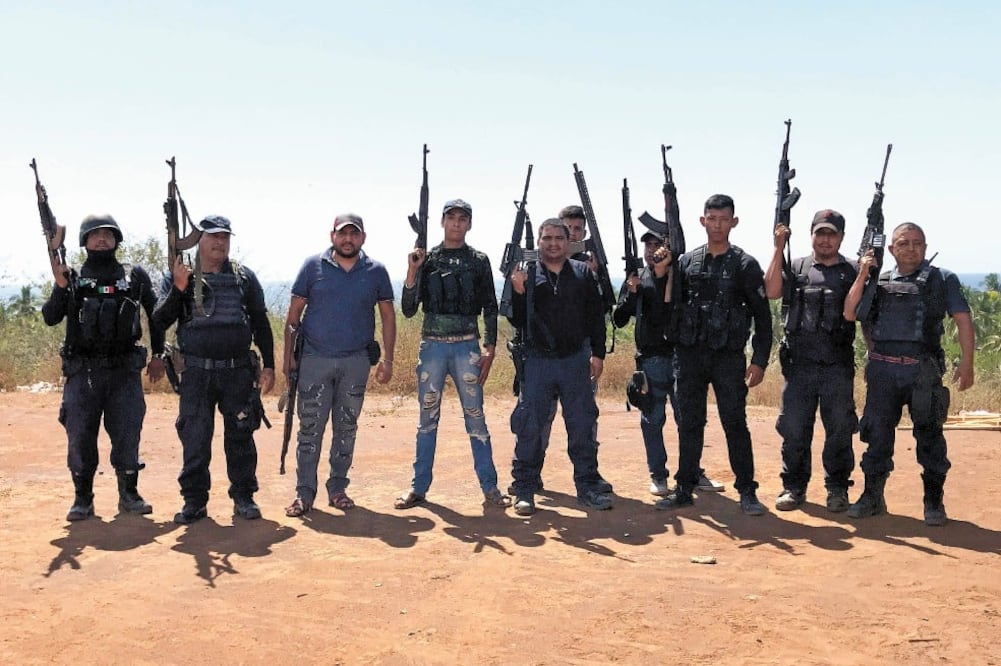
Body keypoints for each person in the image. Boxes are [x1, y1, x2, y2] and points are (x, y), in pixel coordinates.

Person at [844, 222, 974, 526]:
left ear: (926, 248)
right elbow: (854, 314)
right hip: (883, 372)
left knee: (929, 438)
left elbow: (962, 319)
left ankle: (933, 503)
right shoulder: (879, 279)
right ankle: (872, 497)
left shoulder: (943, 279)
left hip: (922, 372)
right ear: (891, 249)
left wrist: (967, 363)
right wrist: (864, 273)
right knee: (876, 437)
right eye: (904, 243)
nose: (911, 248)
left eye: (918, 243)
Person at [42, 214, 166, 521]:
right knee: (81, 437)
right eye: (94, 234)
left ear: (117, 240)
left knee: (127, 434)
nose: (101, 239)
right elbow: (50, 316)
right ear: (84, 240)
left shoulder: (133, 276)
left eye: (107, 234)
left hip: (124, 372)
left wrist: (160, 354)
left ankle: (129, 494)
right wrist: (60, 287)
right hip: (82, 373)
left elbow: (156, 315)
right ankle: (82, 498)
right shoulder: (71, 276)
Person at [153, 215, 275, 524]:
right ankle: (194, 502)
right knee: (195, 438)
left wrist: (270, 365)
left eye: (225, 237)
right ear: (199, 241)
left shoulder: (243, 278)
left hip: (237, 371)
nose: (220, 242)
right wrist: (179, 289)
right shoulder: (179, 277)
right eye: (213, 237)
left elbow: (260, 322)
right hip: (196, 373)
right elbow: (159, 320)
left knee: (241, 436)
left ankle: (244, 497)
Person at [656, 194, 772, 515]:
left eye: (724, 219)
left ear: (734, 222)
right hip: (691, 355)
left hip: (727, 357)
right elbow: (669, 306)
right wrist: (663, 272)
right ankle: (683, 487)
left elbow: (763, 316)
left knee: (734, 423)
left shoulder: (745, 265)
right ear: (702, 221)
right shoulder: (687, 262)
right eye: (712, 218)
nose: (717, 224)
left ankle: (747, 491)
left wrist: (759, 359)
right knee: (690, 423)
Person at [394, 199, 509, 510]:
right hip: (432, 346)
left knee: (476, 418)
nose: (457, 224)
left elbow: (489, 305)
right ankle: (418, 488)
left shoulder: (478, 260)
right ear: (443, 222)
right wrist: (412, 270)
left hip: (467, 346)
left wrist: (490, 346)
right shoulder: (426, 259)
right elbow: (407, 309)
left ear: (469, 224)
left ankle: (490, 487)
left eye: (463, 219)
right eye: (451, 218)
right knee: (426, 420)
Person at [283, 213, 396, 517]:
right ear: (332, 235)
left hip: (356, 362)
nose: (348, 239)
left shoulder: (376, 271)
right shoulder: (312, 266)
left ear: (363, 237)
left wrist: (388, 359)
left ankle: (338, 489)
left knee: (346, 427)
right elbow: (294, 315)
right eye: (343, 234)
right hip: (314, 361)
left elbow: (387, 316)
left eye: (354, 234)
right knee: (310, 429)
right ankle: (304, 494)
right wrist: (287, 360)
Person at [507, 218, 611, 516]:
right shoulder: (526, 275)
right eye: (547, 238)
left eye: (559, 238)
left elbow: (596, 318)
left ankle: (588, 486)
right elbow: (515, 320)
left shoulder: (582, 274)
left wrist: (598, 354)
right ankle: (524, 489)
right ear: (538, 242)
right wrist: (517, 291)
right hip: (537, 362)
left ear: (568, 243)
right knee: (530, 427)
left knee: (581, 425)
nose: (553, 243)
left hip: (574, 361)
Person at [614, 229, 727, 498]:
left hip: (683, 356)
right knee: (652, 419)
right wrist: (632, 294)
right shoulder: (636, 278)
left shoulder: (681, 277)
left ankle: (692, 472)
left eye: (657, 244)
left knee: (688, 419)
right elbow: (618, 320)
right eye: (648, 245)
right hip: (650, 358)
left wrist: (665, 273)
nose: (652, 249)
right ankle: (659, 475)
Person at [763, 210, 859, 512]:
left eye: (832, 233)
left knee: (840, 429)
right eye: (820, 233)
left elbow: (864, 315)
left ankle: (837, 489)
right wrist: (779, 246)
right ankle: (793, 487)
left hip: (837, 365)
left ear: (841, 237)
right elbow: (772, 290)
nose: (826, 239)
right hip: (800, 366)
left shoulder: (853, 271)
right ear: (811, 235)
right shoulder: (796, 266)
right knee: (793, 429)